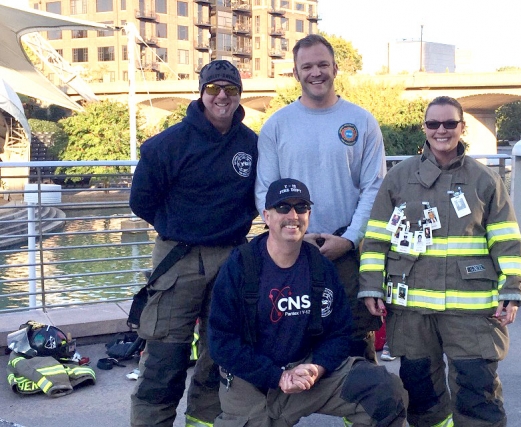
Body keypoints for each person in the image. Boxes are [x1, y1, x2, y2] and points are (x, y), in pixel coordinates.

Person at [358, 96, 521, 427]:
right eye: (433, 123)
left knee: (478, 392)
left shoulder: (484, 180)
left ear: (462, 128)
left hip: (471, 311)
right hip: (413, 310)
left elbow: (507, 240)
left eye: (450, 123)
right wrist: (371, 287)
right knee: (422, 394)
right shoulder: (399, 177)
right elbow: (376, 237)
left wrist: (512, 289)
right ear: (425, 128)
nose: (441, 130)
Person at [208, 178, 408, 426]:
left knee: (385, 390)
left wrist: (318, 367)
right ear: (266, 216)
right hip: (254, 381)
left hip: (307, 371)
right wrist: (277, 376)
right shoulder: (239, 266)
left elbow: (339, 332)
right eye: (283, 207)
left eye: (301, 207)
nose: (293, 215)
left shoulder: (320, 266)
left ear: (309, 215)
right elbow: (221, 342)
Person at [129, 60, 258, 427]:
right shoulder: (166, 146)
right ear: (201, 92)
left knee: (219, 356)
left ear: (238, 96)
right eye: (214, 88)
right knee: (164, 360)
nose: (222, 96)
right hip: (178, 259)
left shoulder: (252, 145)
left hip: (232, 258)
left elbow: (258, 197)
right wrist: (180, 227)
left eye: (230, 90)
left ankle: (201, 422)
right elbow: (141, 202)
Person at [255, 34, 386, 362]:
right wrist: (291, 237)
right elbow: (265, 191)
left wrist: (352, 239)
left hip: (345, 249)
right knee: (287, 336)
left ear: (335, 68)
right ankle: (287, 407)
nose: (316, 72)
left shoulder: (362, 122)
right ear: (296, 73)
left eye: (323, 64)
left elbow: (374, 188)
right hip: (291, 250)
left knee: (356, 335)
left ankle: (359, 408)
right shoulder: (277, 125)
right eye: (307, 66)